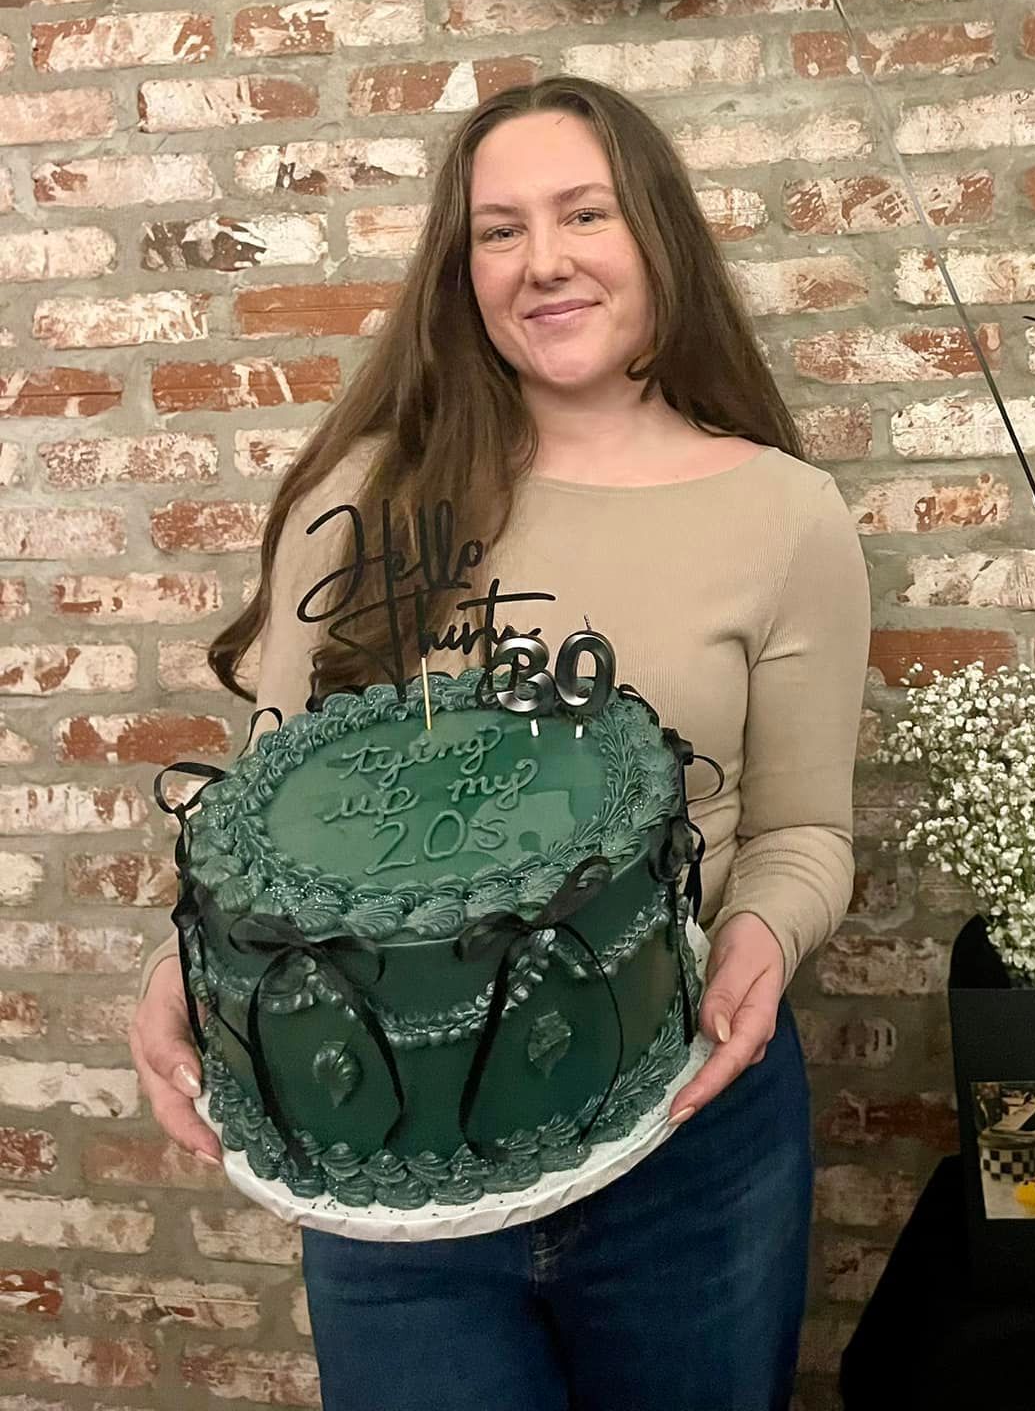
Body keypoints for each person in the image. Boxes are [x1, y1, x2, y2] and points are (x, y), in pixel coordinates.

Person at [128, 75, 872, 1411]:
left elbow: (805, 832)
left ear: (656, 238)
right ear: (458, 268)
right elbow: (269, 816)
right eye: (498, 229)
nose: (545, 262)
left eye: (584, 214)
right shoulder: (365, 497)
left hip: (686, 1136)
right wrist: (188, 968)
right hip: (392, 1158)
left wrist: (763, 937)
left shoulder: (785, 516)